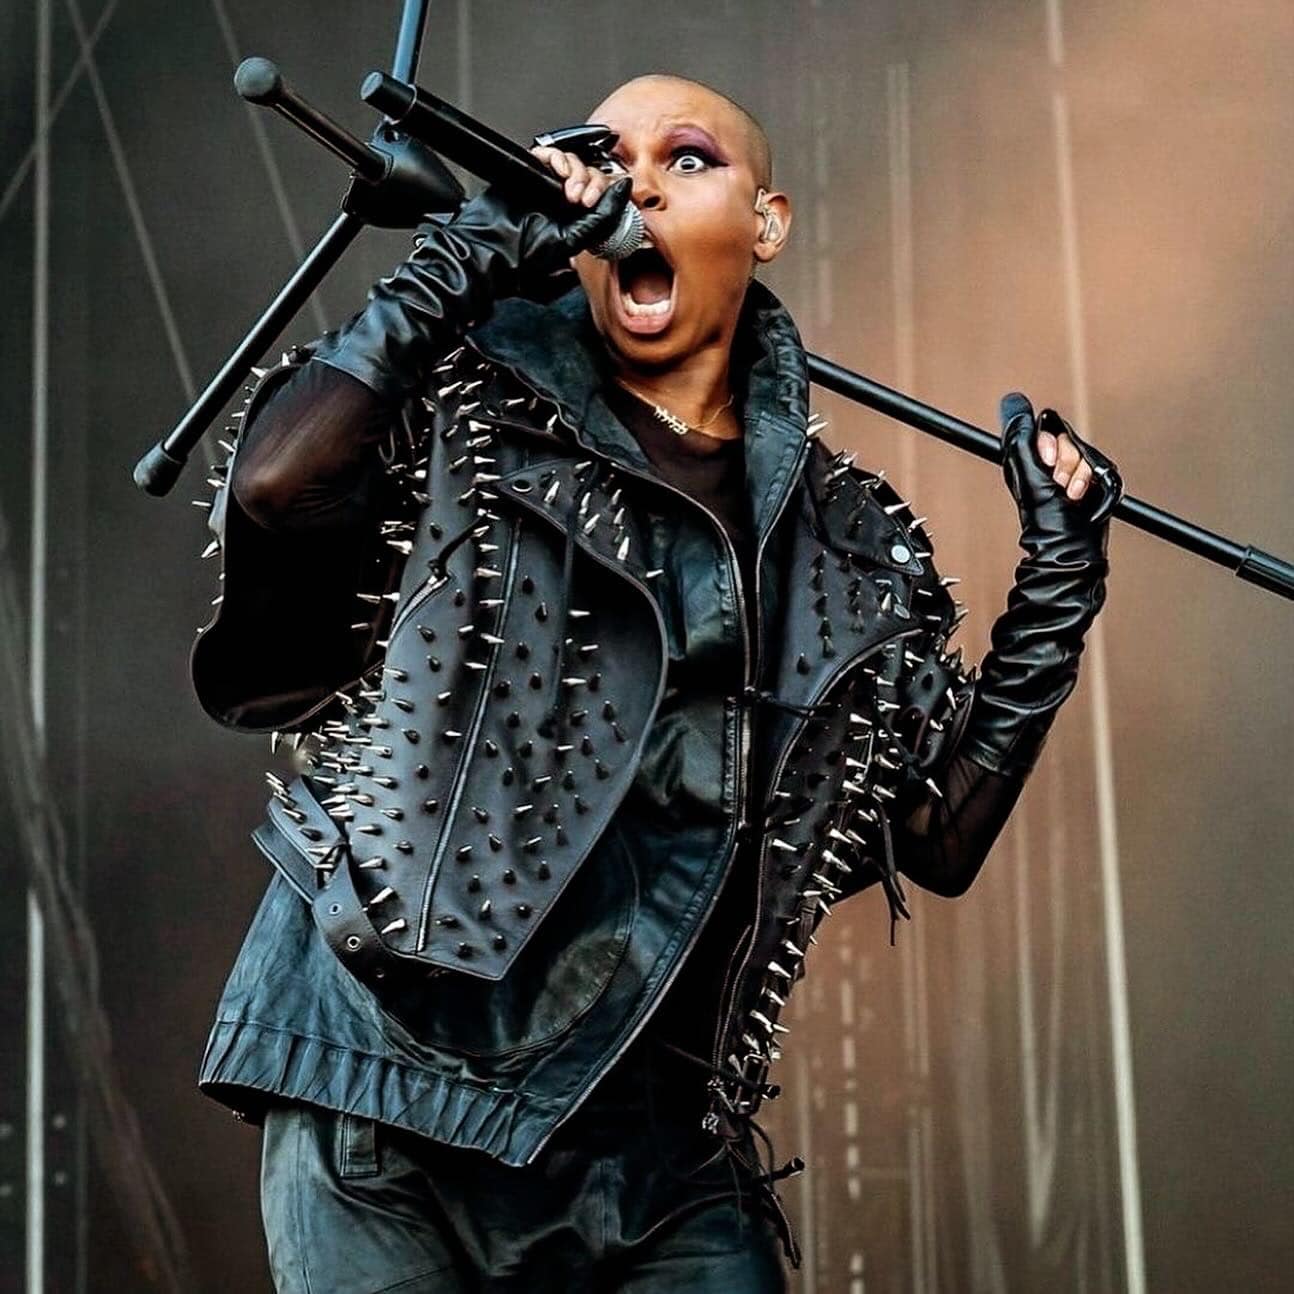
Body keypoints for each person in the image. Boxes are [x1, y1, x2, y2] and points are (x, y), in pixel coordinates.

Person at [190, 73, 1122, 1293]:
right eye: (608, 157)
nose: (639, 183)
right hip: (388, 1083)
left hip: (654, 1138)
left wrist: (1058, 585)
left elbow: (933, 839)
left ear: (766, 223)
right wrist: (461, 259)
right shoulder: (468, 397)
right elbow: (277, 488)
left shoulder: (849, 547)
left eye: (686, 159)